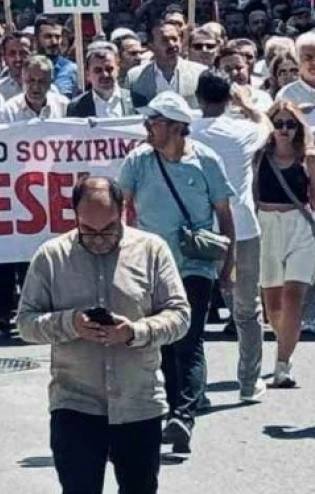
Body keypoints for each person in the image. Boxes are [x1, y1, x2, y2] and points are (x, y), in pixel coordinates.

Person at [16, 176, 190, 494]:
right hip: (75, 403)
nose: (99, 239)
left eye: (108, 230)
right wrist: (70, 324)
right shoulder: (51, 257)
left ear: (124, 211)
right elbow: (26, 323)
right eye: (89, 231)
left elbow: (180, 316)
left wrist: (135, 332)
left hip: (139, 402)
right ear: (74, 217)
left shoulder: (152, 251)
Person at [116, 91, 235, 456]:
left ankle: (183, 414)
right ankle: (177, 410)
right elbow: (121, 209)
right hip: (152, 267)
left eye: (154, 122)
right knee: (164, 340)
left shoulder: (206, 161)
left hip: (196, 264)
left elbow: (224, 215)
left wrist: (227, 265)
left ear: (176, 126)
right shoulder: (138, 161)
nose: (147, 128)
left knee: (190, 338)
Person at [189, 70, 270, 403]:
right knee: (247, 309)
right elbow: (266, 124)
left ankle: (196, 388)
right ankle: (249, 383)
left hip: (199, 231)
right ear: (227, 100)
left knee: (194, 310)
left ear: (198, 98)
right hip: (244, 228)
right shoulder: (243, 130)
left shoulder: (187, 131)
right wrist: (248, 105)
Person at [251, 97, 315, 381]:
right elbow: (250, 196)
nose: (284, 129)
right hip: (266, 225)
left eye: (290, 124)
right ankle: (283, 341)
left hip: (299, 225)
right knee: (272, 304)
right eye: (278, 123)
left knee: (293, 297)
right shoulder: (259, 156)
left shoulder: (309, 158)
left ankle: (283, 364)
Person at [128, 19, 207, 109]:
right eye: (165, 40)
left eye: (174, 39)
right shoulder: (134, 78)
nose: (171, 44)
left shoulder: (200, 74)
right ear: (151, 46)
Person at [67, 42, 134, 118]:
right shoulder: (76, 107)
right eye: (98, 70)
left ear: (118, 69)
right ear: (88, 74)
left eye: (109, 69)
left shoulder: (135, 100)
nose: (105, 74)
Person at [0, 55, 70, 123]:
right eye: (30, 81)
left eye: (42, 81)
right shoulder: (8, 112)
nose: (36, 86)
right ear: (22, 80)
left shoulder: (64, 107)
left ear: (50, 82)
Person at [35, 16, 80, 97]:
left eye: (57, 37)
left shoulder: (72, 69)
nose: (54, 42)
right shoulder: (26, 68)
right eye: (48, 37)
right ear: (37, 39)